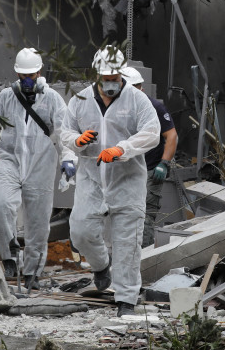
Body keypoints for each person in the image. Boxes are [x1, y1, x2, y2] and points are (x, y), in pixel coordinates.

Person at [65, 47, 160, 317]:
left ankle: (127, 300)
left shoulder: (136, 99)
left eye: (115, 77)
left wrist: (122, 149)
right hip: (91, 177)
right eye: (106, 76)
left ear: (121, 75)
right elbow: (64, 129)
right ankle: (100, 266)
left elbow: (152, 133)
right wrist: (76, 140)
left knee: (128, 241)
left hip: (127, 179)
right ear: (97, 75)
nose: (111, 82)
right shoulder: (80, 99)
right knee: (80, 231)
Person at [0, 47, 78, 291]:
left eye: (31, 75)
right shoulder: (7, 97)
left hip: (41, 163)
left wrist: (68, 158)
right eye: (23, 76)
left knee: (38, 223)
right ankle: (9, 258)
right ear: (17, 75)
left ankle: (32, 273)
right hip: (10, 160)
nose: (27, 81)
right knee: (1, 204)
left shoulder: (52, 99)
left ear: (40, 72)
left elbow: (64, 132)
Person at [121, 66, 178, 248]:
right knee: (124, 214)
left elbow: (171, 136)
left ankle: (142, 257)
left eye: (138, 87)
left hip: (151, 169)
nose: (137, 91)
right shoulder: (119, 110)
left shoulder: (155, 107)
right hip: (126, 170)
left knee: (145, 216)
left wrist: (164, 163)